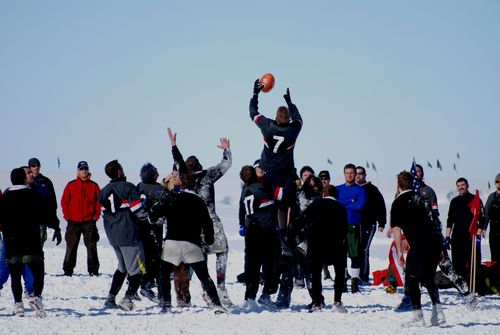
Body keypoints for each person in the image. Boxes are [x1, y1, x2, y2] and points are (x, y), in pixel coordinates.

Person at [167, 128, 233, 307]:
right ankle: (217, 290)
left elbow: (177, 161)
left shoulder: (184, 177)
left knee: (192, 260)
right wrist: (226, 149)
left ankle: (189, 295)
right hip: (209, 221)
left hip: (191, 225)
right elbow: (225, 164)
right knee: (220, 251)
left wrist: (173, 145)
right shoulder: (206, 176)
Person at [149, 172, 226, 314]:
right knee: (204, 276)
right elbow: (207, 223)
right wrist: (209, 240)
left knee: (164, 274)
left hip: (172, 243)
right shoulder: (198, 200)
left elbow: (152, 215)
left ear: (180, 183)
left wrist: (163, 195)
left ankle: (166, 304)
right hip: (192, 244)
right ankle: (217, 305)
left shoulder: (171, 197)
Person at [391, 171, 445, 327]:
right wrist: (441, 248)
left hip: (419, 243)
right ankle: (438, 311)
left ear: (398, 185)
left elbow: (396, 229)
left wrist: (400, 252)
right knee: (428, 278)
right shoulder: (422, 199)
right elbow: (434, 222)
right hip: (434, 241)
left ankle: (418, 316)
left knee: (412, 279)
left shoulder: (398, 202)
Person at [249, 80, 303, 231]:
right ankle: (284, 232)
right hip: (285, 175)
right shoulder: (293, 130)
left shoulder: (267, 126)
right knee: (286, 204)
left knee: (266, 202)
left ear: (276, 118)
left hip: (267, 173)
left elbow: (252, 112)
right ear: (289, 120)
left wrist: (255, 94)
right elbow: (299, 118)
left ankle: (267, 229)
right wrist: (291, 104)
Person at [0, 168, 50, 317]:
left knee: (15, 273)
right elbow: (44, 213)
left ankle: (18, 305)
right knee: (37, 269)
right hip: (31, 241)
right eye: (28, 173)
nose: (32, 175)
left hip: (11, 241)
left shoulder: (5, 196)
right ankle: (36, 297)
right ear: (22, 178)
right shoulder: (32, 195)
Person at [100, 160, 148, 311]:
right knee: (138, 270)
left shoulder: (103, 191)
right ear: (119, 172)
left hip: (114, 237)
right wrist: (152, 217)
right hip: (129, 235)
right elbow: (139, 212)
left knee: (122, 268)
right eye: (122, 168)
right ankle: (127, 299)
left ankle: (110, 298)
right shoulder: (128, 187)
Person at [299, 185, 348, 313]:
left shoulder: (314, 205)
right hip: (335, 244)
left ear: (323, 194)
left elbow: (303, 220)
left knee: (315, 274)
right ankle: (337, 302)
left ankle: (317, 304)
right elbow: (344, 228)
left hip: (316, 244)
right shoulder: (340, 207)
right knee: (339, 273)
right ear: (336, 195)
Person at [238, 165, 280, 310]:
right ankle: (266, 294)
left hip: (251, 230)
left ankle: (249, 296)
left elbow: (242, 209)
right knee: (271, 263)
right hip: (265, 230)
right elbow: (276, 198)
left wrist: (242, 224)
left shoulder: (245, 190)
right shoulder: (261, 188)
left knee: (252, 265)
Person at [60, 161, 101, 277]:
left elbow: (99, 202)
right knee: (71, 246)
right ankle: (68, 270)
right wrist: (67, 216)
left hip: (89, 222)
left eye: (86, 169)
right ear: (77, 171)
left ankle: (93, 270)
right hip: (73, 222)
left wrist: (95, 216)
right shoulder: (71, 185)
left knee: (92, 246)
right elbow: (64, 202)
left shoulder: (94, 186)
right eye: (82, 169)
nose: (84, 171)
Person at [136, 162, 168, 302]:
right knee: (156, 257)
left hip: (140, 227)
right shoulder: (160, 190)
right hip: (155, 228)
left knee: (144, 256)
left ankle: (144, 282)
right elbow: (172, 199)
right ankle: (149, 285)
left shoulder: (139, 187)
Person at [446, 177, 485, 283]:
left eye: (462, 185)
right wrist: (447, 236)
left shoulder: (475, 200)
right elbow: (450, 220)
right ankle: (462, 288)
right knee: (458, 264)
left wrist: (478, 233)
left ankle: (475, 286)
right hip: (457, 237)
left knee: (474, 263)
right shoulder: (454, 202)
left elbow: (482, 218)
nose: (461, 188)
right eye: (458, 186)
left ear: (467, 185)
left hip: (471, 237)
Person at [336, 163, 366, 293]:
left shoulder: (361, 190)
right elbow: (336, 205)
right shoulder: (338, 189)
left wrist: (345, 203)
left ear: (355, 174)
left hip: (354, 226)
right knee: (340, 254)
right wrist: (351, 201)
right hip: (340, 226)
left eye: (352, 173)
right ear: (344, 174)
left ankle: (355, 281)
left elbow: (360, 206)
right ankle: (342, 280)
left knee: (355, 254)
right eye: (347, 173)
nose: (349, 175)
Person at [355, 166, 387, 284]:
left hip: (368, 223)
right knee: (354, 250)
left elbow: (380, 206)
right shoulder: (352, 189)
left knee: (364, 250)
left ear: (365, 175)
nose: (358, 176)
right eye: (356, 173)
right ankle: (355, 274)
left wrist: (382, 222)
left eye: (360, 173)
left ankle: (363, 276)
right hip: (354, 223)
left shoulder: (372, 189)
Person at [28, 158, 61, 245]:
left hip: (41, 221)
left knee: (38, 251)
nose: (36, 167)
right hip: (26, 223)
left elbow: (52, 204)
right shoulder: (25, 182)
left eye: (38, 165)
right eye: (33, 166)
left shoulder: (46, 182)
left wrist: (56, 226)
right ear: (29, 167)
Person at [482, 173, 500, 263]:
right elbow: (486, 213)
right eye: (497, 181)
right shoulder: (491, 197)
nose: (498, 183)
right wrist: (484, 228)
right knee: (495, 257)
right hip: (494, 232)